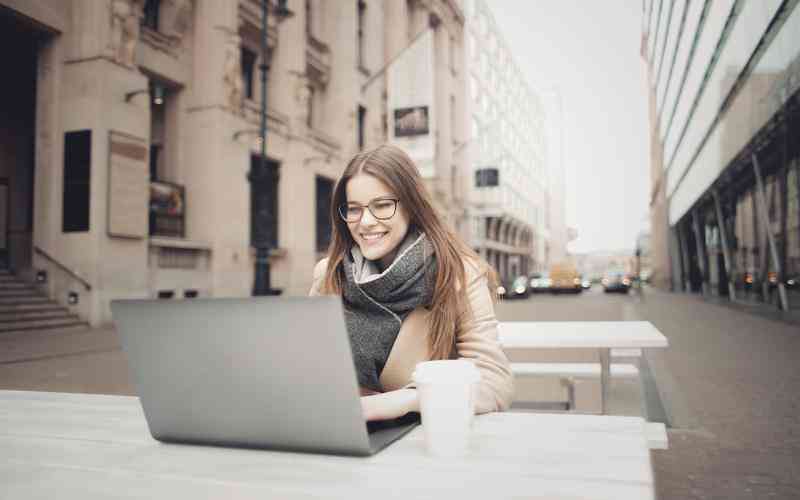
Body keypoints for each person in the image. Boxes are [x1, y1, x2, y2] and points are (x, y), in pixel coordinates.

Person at [309, 144, 513, 421]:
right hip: (340, 431)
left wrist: (410, 398)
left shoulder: (458, 274)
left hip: (424, 437)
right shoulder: (329, 274)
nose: (366, 222)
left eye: (382, 205)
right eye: (354, 209)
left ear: (412, 207)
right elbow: (308, 365)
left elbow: (493, 382)